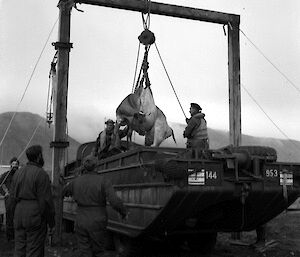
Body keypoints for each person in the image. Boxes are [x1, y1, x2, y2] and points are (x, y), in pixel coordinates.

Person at [63, 155, 127, 257]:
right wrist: (123, 212)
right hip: (98, 220)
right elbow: (114, 201)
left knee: (84, 252)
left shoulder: (76, 182)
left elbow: (64, 192)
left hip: (81, 220)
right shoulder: (104, 181)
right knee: (98, 251)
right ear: (97, 166)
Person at [9, 145, 55, 257]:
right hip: (34, 215)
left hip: (19, 214)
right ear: (39, 156)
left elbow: (12, 198)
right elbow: (46, 202)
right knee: (34, 250)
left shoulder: (18, 173)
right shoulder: (41, 174)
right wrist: (51, 223)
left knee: (19, 249)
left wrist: (12, 218)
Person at [0, 157, 19, 241]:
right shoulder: (6, 174)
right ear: (10, 165)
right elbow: (1, 184)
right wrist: (5, 193)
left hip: (18, 199)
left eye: (16, 164)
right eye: (13, 164)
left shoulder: (20, 174)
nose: (15, 166)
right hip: (9, 199)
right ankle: (10, 237)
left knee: (18, 218)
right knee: (9, 218)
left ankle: (18, 236)